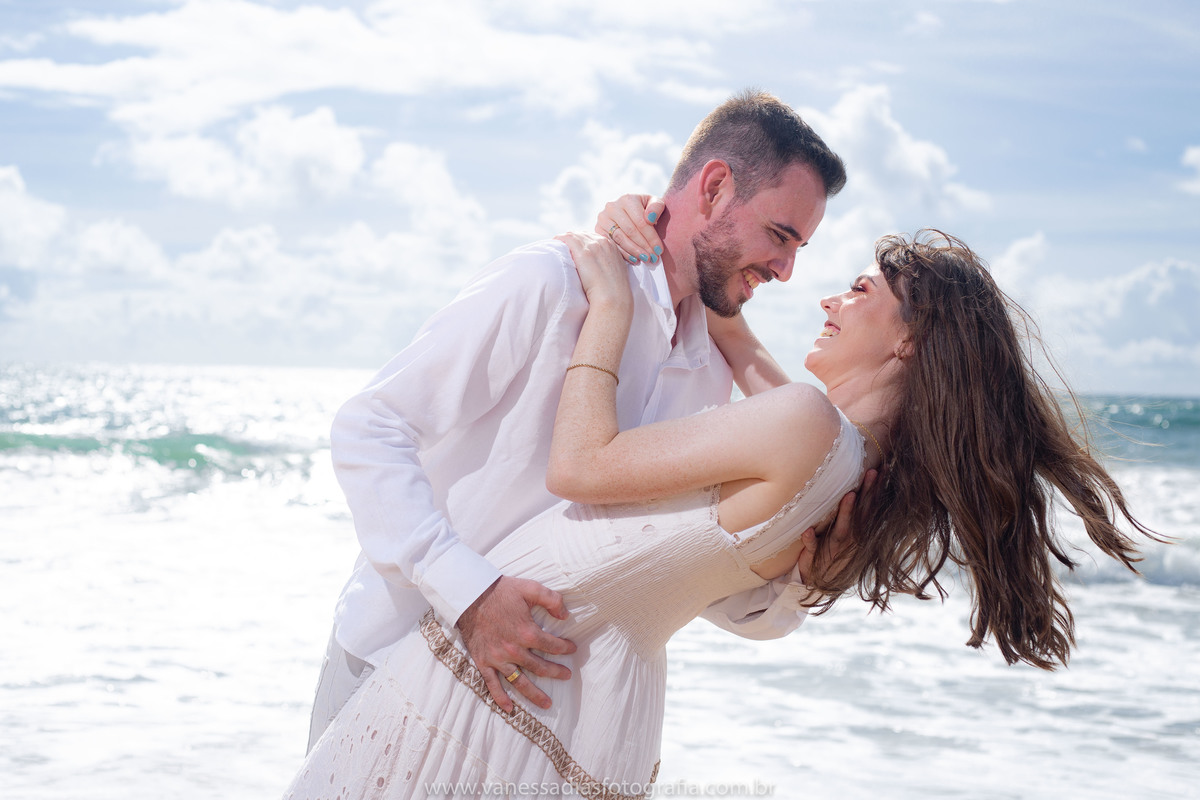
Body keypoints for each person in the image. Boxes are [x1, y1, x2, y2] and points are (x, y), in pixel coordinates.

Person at [286, 229, 1157, 798]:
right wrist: (689, 266)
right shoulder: (850, 470)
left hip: (502, 692)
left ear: (910, 339)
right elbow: (744, 583)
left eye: (858, 289)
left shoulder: (810, 433)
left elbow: (578, 466)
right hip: (568, 701)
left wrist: (612, 313)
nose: (824, 296)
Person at [307, 89, 850, 750]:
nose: (788, 271)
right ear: (714, 188)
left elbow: (663, 557)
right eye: (780, 236)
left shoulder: (709, 370)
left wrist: (798, 576)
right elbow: (369, 428)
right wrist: (472, 595)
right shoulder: (550, 282)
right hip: (390, 665)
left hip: (519, 720)